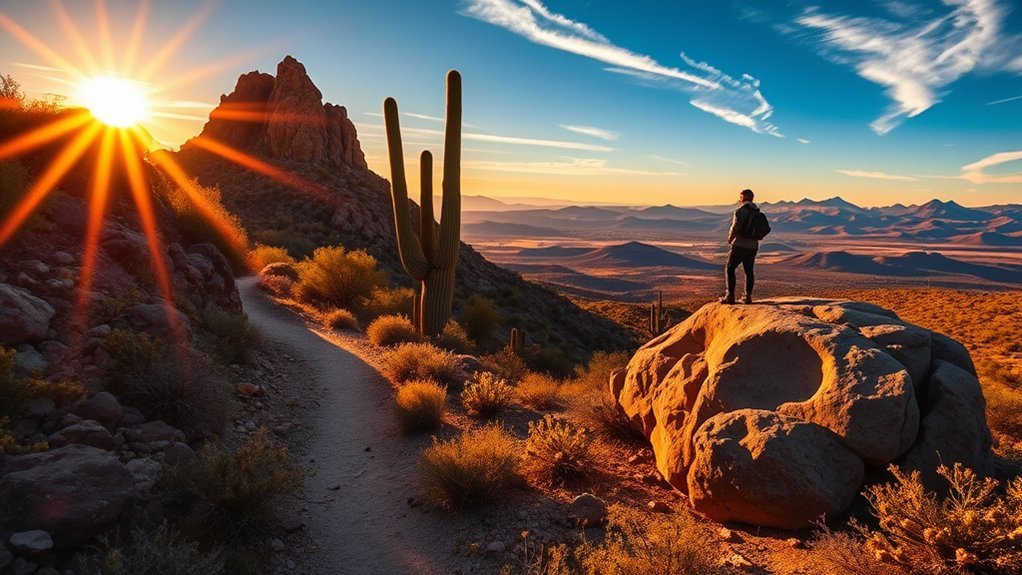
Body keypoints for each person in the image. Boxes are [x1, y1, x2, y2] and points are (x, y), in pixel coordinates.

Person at [721, 189, 759, 304]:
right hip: (753, 246)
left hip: (740, 244)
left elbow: (735, 227)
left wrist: (730, 239)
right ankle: (748, 296)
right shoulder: (757, 211)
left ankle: (730, 296)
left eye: (740, 197)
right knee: (749, 270)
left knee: (730, 267)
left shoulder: (740, 211)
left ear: (743, 198)